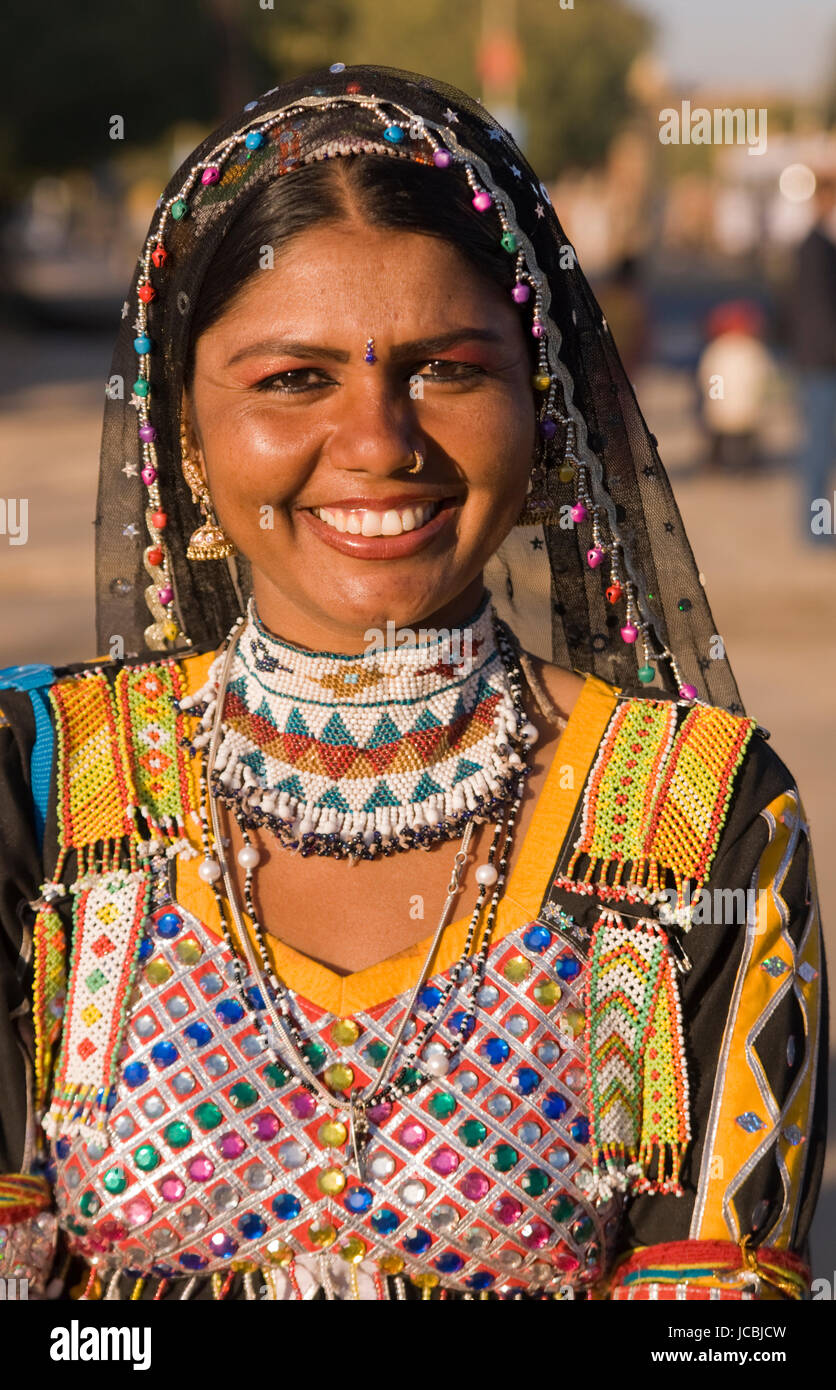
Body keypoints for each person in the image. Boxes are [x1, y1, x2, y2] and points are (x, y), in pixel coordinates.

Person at [0, 64, 826, 1303]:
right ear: (186, 429)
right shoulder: (42, 786)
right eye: (292, 379)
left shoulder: (694, 819)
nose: (380, 441)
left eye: (446, 370)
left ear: (540, 412)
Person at [785, 172, 836, 545]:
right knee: (818, 448)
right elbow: (819, 314)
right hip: (822, 363)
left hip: (819, 360)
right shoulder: (815, 248)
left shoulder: (820, 246)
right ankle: (818, 531)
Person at [696, 300, 775, 474]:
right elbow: (766, 380)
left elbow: (705, 380)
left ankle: (715, 460)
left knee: (710, 412)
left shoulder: (715, 349)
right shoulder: (755, 349)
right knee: (747, 423)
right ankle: (748, 460)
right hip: (749, 413)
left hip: (719, 413)